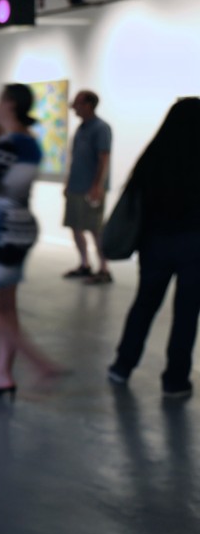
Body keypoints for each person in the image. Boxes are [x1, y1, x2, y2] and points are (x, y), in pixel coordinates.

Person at [0, 84, 61, 398]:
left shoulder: (8, 143)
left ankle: (39, 363)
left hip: (5, 230)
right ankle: (2, 374)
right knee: (6, 307)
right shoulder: (30, 142)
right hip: (21, 226)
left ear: (9, 104)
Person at [108, 97, 200, 398]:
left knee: (144, 305)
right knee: (186, 314)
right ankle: (175, 380)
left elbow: (137, 199)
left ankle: (122, 365)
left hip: (155, 244)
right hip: (194, 247)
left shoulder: (154, 155)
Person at [62, 90, 114, 284]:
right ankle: (85, 264)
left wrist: (97, 186)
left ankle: (104, 268)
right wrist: (68, 183)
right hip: (76, 187)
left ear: (88, 105)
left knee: (95, 228)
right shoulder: (81, 129)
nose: (73, 107)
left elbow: (104, 158)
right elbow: (75, 159)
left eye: (77, 103)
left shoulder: (101, 128)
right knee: (76, 226)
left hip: (90, 189)